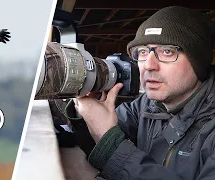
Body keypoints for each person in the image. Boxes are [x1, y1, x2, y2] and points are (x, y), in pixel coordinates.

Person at [64, 6, 215, 180]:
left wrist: (108, 139)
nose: (149, 65)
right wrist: (84, 115)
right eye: (143, 52)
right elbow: (95, 147)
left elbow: (109, 144)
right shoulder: (145, 106)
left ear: (199, 62)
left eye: (167, 51)